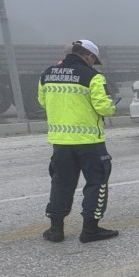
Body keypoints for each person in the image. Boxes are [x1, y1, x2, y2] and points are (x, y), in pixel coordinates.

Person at [38, 39, 120, 243]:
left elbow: (42, 102)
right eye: (94, 59)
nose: (94, 63)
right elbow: (104, 108)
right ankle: (90, 230)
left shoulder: (47, 74)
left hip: (61, 141)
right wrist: (112, 106)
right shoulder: (93, 77)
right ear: (89, 56)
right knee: (96, 183)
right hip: (90, 141)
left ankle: (56, 230)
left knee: (61, 184)